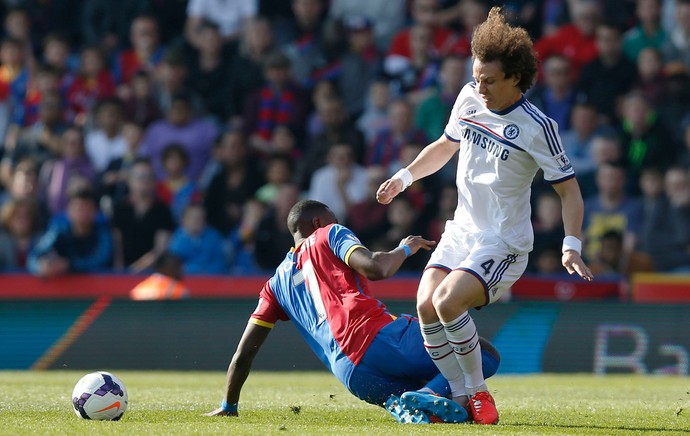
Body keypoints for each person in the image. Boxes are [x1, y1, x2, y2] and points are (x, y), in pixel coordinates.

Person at [375, 7, 592, 425]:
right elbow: (444, 145)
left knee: (447, 301)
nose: (481, 86)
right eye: (477, 77)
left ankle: (478, 397)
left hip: (504, 241)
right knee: (424, 305)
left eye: (490, 80)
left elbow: (569, 190)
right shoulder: (470, 97)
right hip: (462, 230)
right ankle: (460, 396)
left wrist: (571, 244)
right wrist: (403, 177)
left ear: (516, 78)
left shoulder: (538, 127)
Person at [205, 200, 500, 424]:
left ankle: (413, 402)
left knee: (433, 385)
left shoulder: (274, 285)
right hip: (378, 338)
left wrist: (229, 405)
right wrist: (405, 249)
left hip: (352, 376)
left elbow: (244, 354)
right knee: (483, 353)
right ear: (319, 221)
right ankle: (431, 394)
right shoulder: (328, 234)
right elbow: (376, 267)